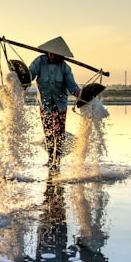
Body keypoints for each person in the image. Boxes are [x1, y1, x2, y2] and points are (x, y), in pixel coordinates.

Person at [28, 37, 80, 169]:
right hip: (45, 105)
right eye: (50, 54)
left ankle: (57, 161)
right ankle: (50, 158)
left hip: (60, 105)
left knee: (59, 134)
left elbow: (72, 86)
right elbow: (29, 75)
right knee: (48, 133)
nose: (52, 57)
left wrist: (79, 94)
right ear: (47, 53)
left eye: (55, 55)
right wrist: (19, 76)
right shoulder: (39, 62)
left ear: (60, 56)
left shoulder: (65, 68)